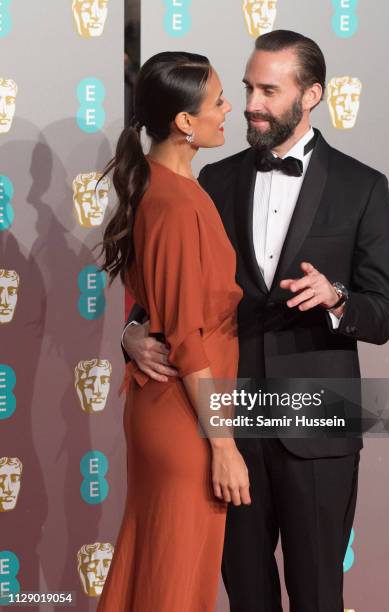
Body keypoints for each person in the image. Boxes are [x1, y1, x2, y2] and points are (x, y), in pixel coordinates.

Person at [123, 31, 389, 612]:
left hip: (318, 427)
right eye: (247, 86)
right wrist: (131, 337)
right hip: (230, 427)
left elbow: (384, 312)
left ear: (312, 95)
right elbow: (169, 295)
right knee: (246, 596)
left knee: (319, 594)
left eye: (268, 90)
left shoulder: (363, 187)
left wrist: (337, 297)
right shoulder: (211, 182)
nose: (251, 102)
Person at [96, 51, 251, 612]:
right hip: (187, 419)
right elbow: (186, 335)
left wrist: (131, 331)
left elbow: (159, 309)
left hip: (174, 406)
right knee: (174, 580)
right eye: (217, 100)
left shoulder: (165, 190)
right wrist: (224, 446)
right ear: (186, 122)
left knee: (159, 567)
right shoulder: (176, 202)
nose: (228, 106)